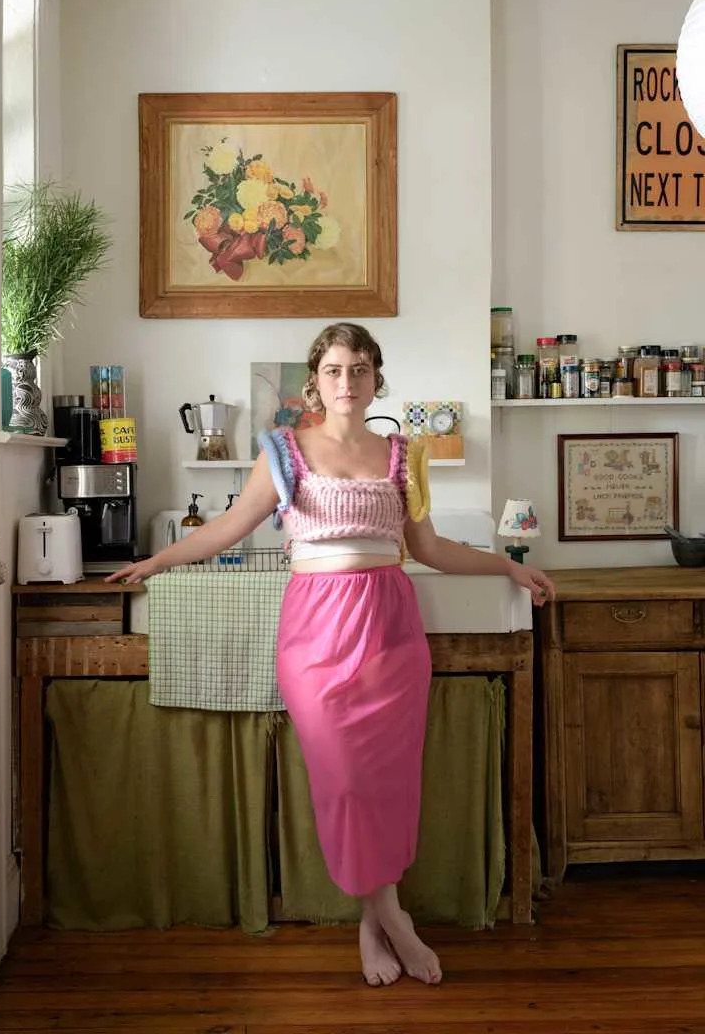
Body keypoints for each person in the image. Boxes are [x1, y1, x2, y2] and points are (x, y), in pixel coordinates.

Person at [107, 322, 555, 988]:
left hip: (390, 629)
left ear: (377, 379)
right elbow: (230, 527)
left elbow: (429, 551)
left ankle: (370, 927)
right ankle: (395, 917)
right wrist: (157, 561)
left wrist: (507, 568)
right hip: (316, 632)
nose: (348, 382)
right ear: (316, 380)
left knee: (389, 784)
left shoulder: (404, 453)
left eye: (361, 370)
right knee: (343, 781)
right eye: (336, 370)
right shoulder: (283, 451)